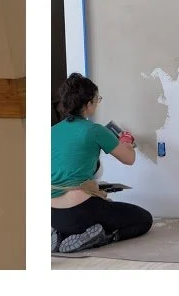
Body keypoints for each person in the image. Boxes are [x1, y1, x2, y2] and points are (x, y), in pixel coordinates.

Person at [51, 74, 151, 253]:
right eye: (97, 99)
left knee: (103, 209)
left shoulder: (52, 131)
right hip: (81, 210)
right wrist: (126, 141)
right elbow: (129, 159)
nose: (97, 103)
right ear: (88, 103)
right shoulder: (95, 130)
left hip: (51, 213)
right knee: (143, 219)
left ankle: (59, 234)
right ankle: (100, 236)